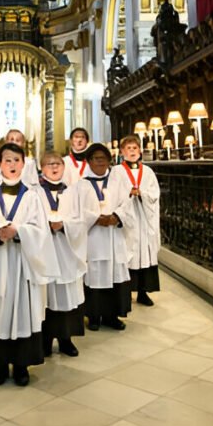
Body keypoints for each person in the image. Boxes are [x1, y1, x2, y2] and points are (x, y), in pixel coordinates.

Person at [0, 142, 58, 387]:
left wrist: (18, 232)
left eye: (16, 160)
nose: (11, 165)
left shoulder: (32, 196)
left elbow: (41, 232)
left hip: (22, 264)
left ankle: (21, 364)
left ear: (24, 164)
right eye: (7, 160)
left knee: (22, 309)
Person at [74, 142, 134, 331]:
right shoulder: (81, 185)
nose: (100, 162)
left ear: (109, 161)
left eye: (104, 159)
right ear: (89, 161)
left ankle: (112, 315)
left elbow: (127, 204)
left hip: (114, 236)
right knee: (95, 275)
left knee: (114, 275)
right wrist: (96, 218)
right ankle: (93, 316)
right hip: (94, 239)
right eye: (96, 159)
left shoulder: (118, 182)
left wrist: (116, 217)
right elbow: (77, 210)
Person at [35, 151, 86, 357]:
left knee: (65, 294)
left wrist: (64, 225)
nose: (54, 167)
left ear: (63, 168)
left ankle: (66, 339)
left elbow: (81, 221)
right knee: (46, 295)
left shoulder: (73, 193)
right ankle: (45, 340)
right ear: (41, 167)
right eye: (49, 164)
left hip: (66, 250)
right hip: (44, 251)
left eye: (57, 163)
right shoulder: (34, 193)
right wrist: (45, 226)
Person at [110, 135, 161, 306]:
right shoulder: (117, 171)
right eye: (128, 148)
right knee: (128, 254)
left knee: (145, 254)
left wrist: (143, 194)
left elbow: (154, 194)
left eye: (135, 148)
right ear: (122, 151)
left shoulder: (148, 171)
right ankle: (126, 293)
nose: (132, 151)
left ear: (140, 151)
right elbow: (113, 194)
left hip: (144, 219)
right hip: (128, 219)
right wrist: (128, 194)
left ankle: (143, 292)